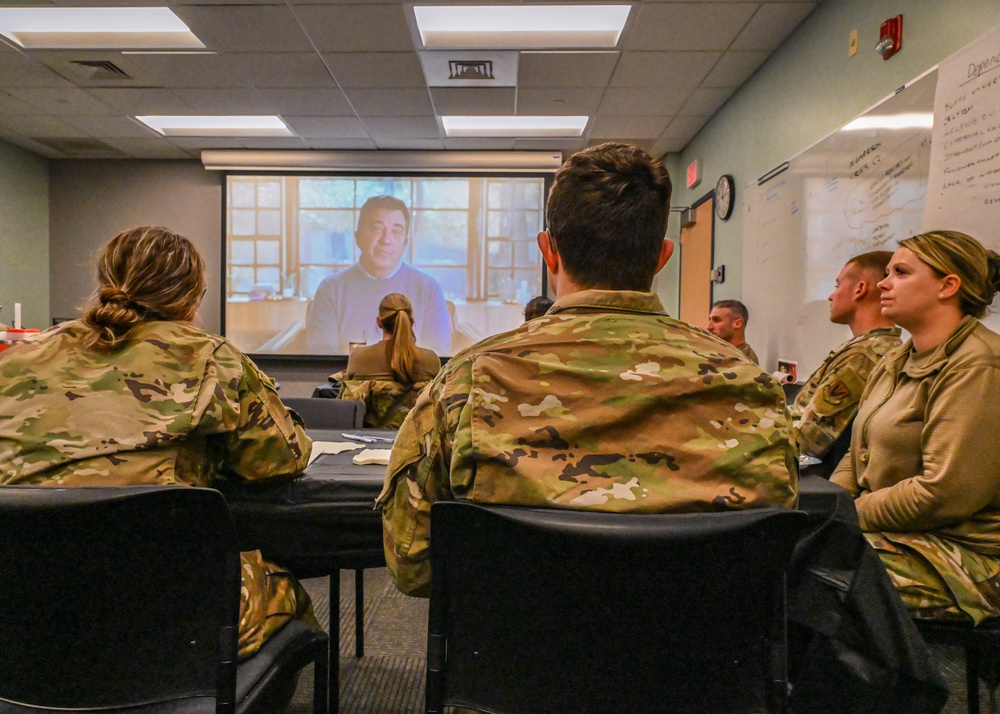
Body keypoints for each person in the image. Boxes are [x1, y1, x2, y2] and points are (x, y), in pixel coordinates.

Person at [378, 143, 796, 597]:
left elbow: (412, 563)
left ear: (548, 252)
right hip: (707, 662)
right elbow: (778, 558)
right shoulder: (751, 384)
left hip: (514, 659)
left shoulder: (471, 377)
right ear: (662, 256)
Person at [0, 226, 318, 661]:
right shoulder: (210, 357)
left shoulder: (17, 358)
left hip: (24, 608)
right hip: (166, 612)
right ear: (193, 297)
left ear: (104, 284)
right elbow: (281, 460)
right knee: (286, 590)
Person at [831, 230, 1000, 625]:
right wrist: (824, 509)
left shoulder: (978, 364)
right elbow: (854, 462)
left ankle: (897, 688)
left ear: (948, 286)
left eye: (901, 272)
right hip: (901, 535)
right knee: (785, 554)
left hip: (970, 555)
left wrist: (846, 515)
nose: (884, 284)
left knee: (817, 579)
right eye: (886, 272)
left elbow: (943, 493)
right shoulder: (896, 359)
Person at [305, 195, 451, 356]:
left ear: (405, 243)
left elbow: (438, 357)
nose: (386, 240)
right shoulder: (331, 288)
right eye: (377, 229)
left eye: (396, 231)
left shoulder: (428, 289)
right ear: (358, 237)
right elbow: (321, 356)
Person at [789, 251, 901, 459]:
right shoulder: (864, 347)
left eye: (837, 285)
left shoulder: (864, 356)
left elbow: (807, 440)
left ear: (859, 289)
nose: (831, 296)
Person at [342, 293, 441, 429]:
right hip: (418, 445)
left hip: (367, 444)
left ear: (379, 322)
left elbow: (348, 408)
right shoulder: (431, 360)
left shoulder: (358, 358)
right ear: (411, 321)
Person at [706, 299, 759, 364]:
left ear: (737, 324)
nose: (709, 327)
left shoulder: (744, 360)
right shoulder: (724, 354)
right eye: (710, 320)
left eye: (716, 320)